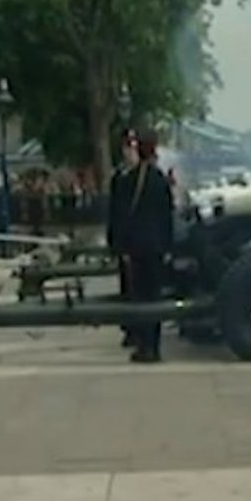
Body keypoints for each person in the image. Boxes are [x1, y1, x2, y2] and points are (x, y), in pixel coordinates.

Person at [120, 129, 173, 363]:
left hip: (136, 247)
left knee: (140, 296)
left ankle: (144, 345)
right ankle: (155, 346)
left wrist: (120, 247)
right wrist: (168, 246)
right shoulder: (160, 179)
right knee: (154, 295)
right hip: (157, 246)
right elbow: (167, 216)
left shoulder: (128, 180)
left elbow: (121, 216)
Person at [107, 129, 139, 347]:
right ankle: (129, 327)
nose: (129, 151)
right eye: (127, 147)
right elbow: (115, 211)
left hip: (138, 239)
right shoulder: (120, 177)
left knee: (138, 287)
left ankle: (137, 327)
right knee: (127, 286)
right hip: (126, 238)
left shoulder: (140, 176)